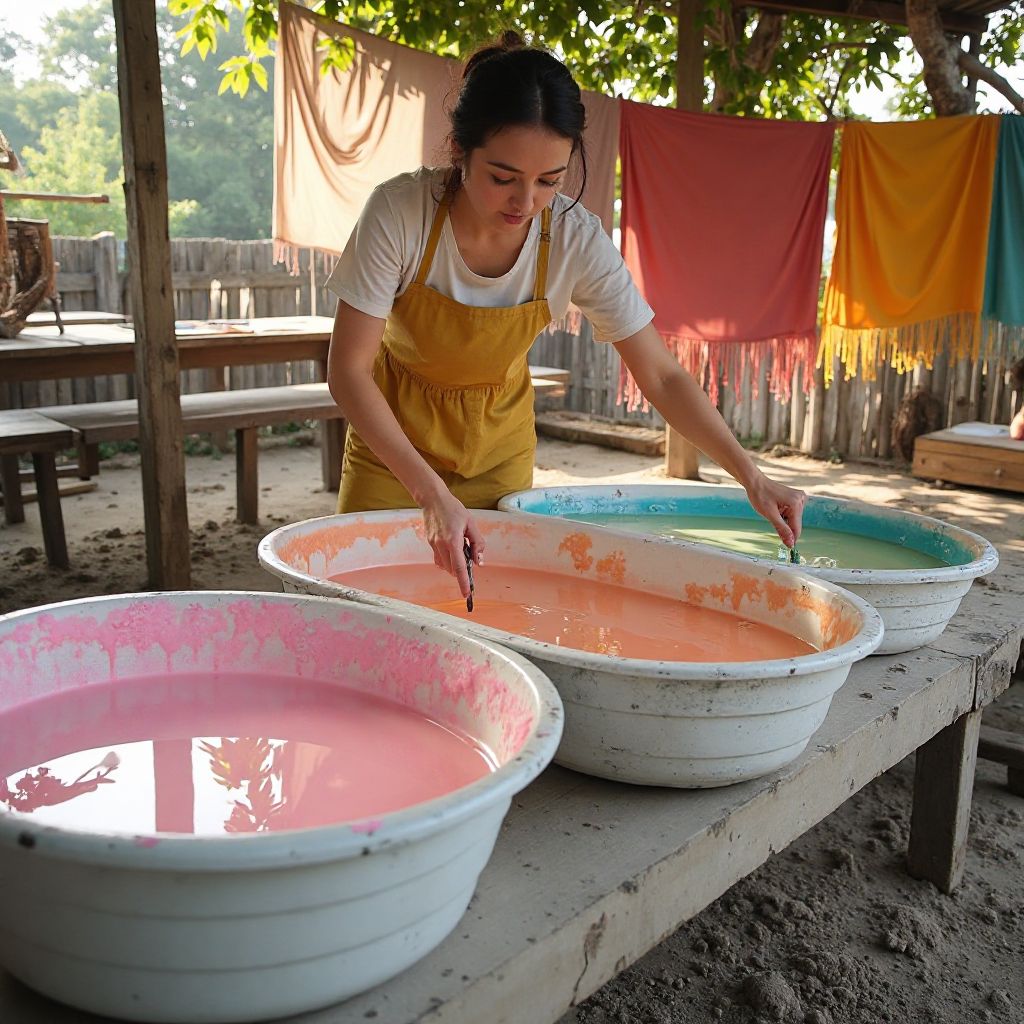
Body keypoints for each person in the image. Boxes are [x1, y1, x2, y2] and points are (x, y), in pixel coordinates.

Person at [326, 33, 806, 599]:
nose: (525, 201)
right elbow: (348, 371)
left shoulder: (577, 240)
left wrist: (752, 477)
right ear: (458, 150)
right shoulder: (399, 213)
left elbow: (661, 374)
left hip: (498, 452)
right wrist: (430, 494)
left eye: (548, 181)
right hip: (393, 454)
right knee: (369, 605)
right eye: (502, 177)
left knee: (488, 612)